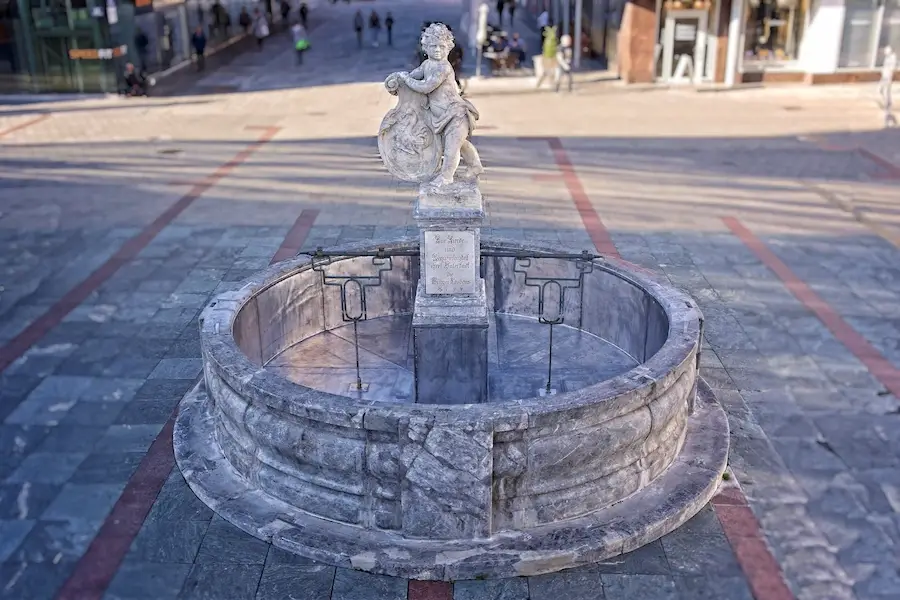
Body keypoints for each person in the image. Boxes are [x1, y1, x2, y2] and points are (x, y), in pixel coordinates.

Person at [386, 23, 484, 186]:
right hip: (441, 117)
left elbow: (425, 87)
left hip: (455, 114)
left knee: (452, 149)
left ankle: (446, 177)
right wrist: (398, 78)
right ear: (425, 48)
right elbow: (413, 76)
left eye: (441, 46)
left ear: (448, 48)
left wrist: (406, 79)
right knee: (460, 143)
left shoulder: (443, 68)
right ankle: (475, 166)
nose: (437, 50)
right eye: (433, 46)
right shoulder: (427, 65)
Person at [879, 46, 897, 128]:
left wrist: (888, 75)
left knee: (886, 90)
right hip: (885, 75)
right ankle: (886, 102)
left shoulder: (892, 58)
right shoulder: (888, 58)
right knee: (882, 90)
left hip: (887, 76)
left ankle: (888, 103)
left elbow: (891, 68)